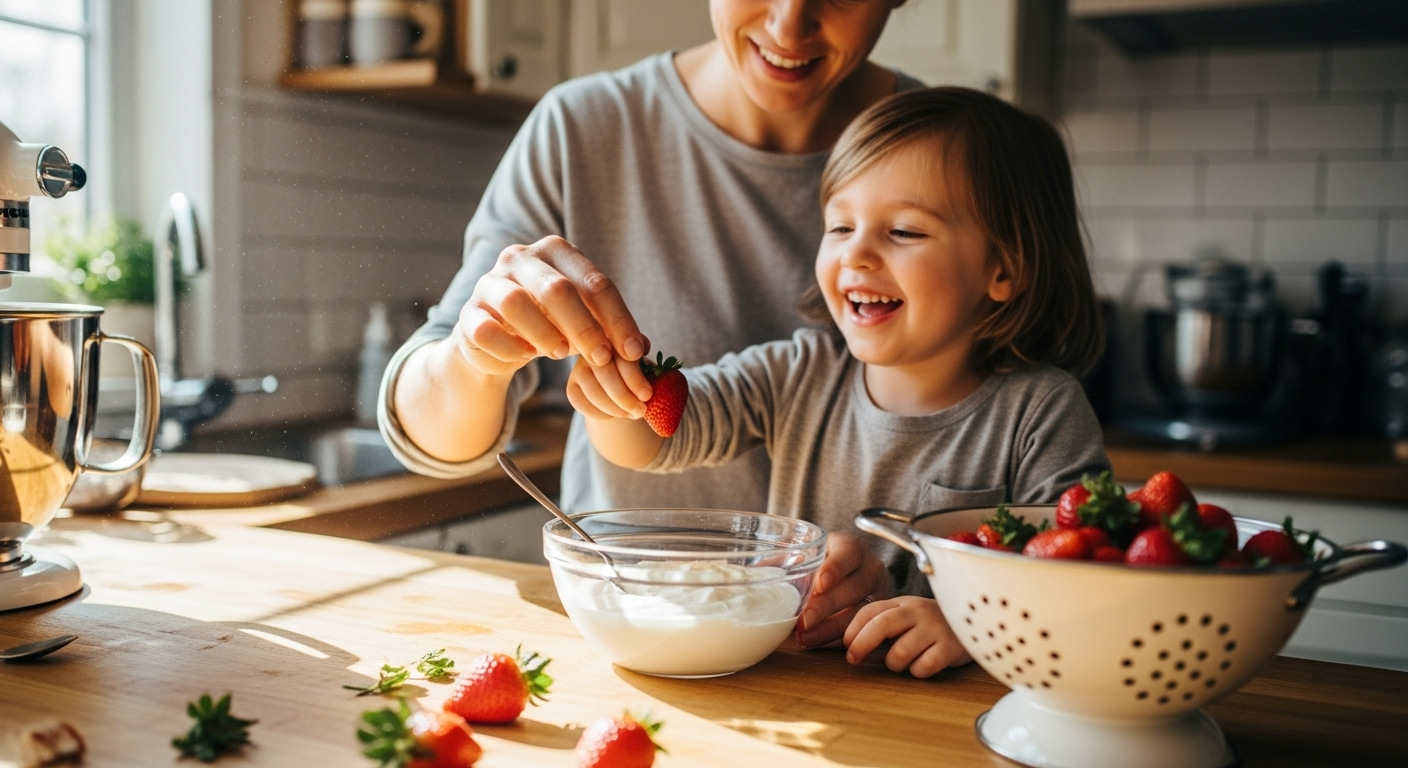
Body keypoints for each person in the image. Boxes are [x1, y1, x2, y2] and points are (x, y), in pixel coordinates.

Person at [381, 1, 920, 649]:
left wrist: (910, 587)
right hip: (633, 636)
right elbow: (431, 436)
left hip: (863, 658)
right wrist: (474, 357)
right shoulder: (582, 128)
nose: (788, 25)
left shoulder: (959, 151)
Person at [569, 87, 1111, 677]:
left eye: (903, 231)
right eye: (840, 226)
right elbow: (658, 440)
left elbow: (1087, 585)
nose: (857, 254)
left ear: (1003, 269)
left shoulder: (1042, 413)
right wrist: (610, 398)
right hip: (804, 704)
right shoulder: (797, 374)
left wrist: (971, 625)